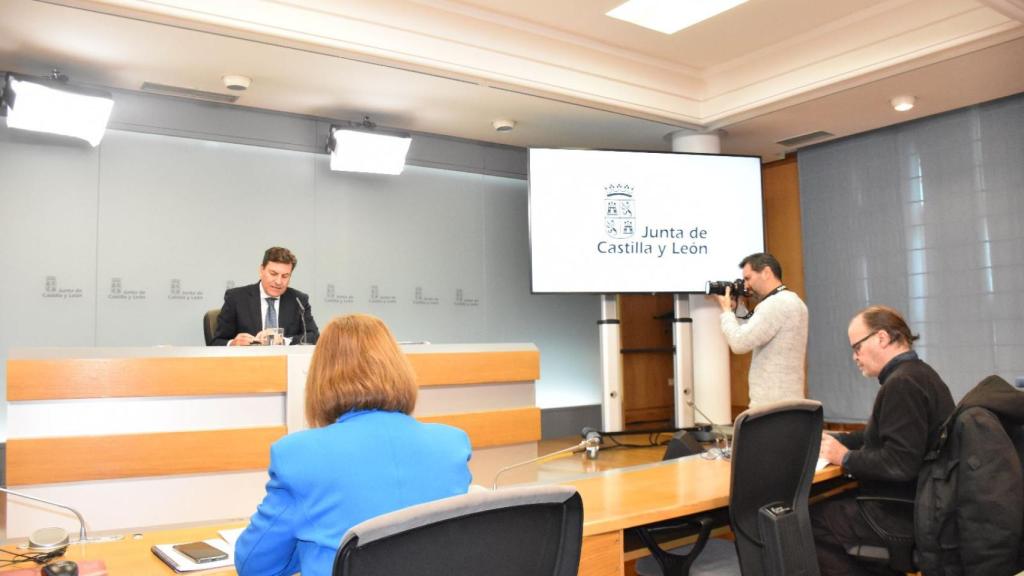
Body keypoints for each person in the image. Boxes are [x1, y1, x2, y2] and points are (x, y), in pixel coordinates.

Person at [234, 314, 472, 576]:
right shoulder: (451, 445)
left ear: (321, 376)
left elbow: (254, 566)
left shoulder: (299, 456)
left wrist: (309, 549)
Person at [812, 305, 955, 576]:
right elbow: (881, 437)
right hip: (920, 504)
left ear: (881, 338)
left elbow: (900, 463)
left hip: (902, 513)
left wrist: (844, 457)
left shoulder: (902, 384)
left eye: (857, 347)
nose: (855, 357)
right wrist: (837, 440)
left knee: (805, 522)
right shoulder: (919, 374)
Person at [714, 252, 808, 405]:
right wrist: (737, 308)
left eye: (748, 278)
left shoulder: (774, 304)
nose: (745, 286)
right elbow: (756, 332)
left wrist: (726, 312)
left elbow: (739, 343)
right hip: (790, 400)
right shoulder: (793, 301)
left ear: (766, 272)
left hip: (770, 406)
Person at [212, 246, 319, 346]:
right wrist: (232, 343)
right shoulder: (236, 298)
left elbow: (314, 336)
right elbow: (216, 342)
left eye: (285, 276)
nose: (278, 281)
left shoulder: (298, 300)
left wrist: (283, 341)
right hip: (248, 363)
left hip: (286, 363)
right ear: (261, 270)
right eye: (273, 274)